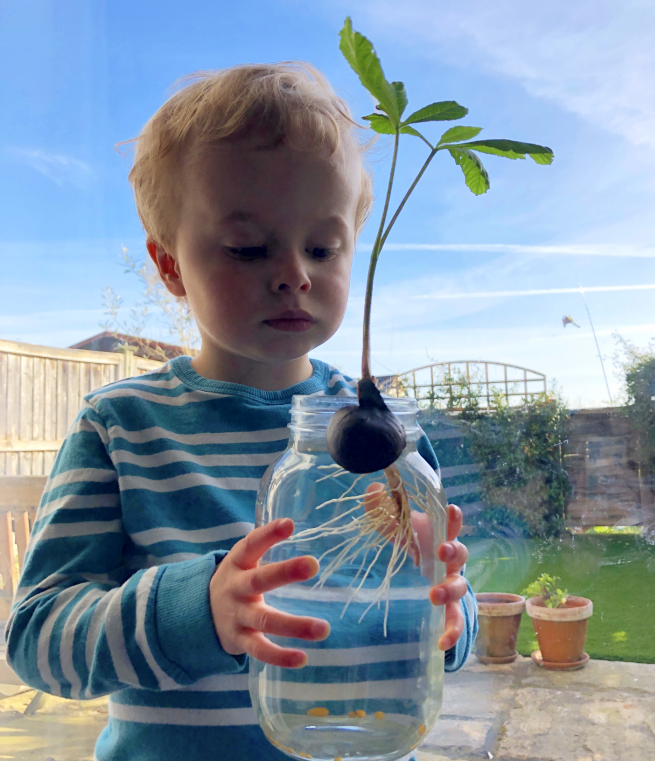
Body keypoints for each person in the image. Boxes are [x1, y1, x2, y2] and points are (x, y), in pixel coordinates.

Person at [5, 62, 477, 760]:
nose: (295, 271)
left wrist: (450, 610)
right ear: (169, 265)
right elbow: (39, 639)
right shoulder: (120, 428)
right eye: (247, 247)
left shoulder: (389, 439)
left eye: (323, 245)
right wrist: (198, 612)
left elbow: (441, 626)